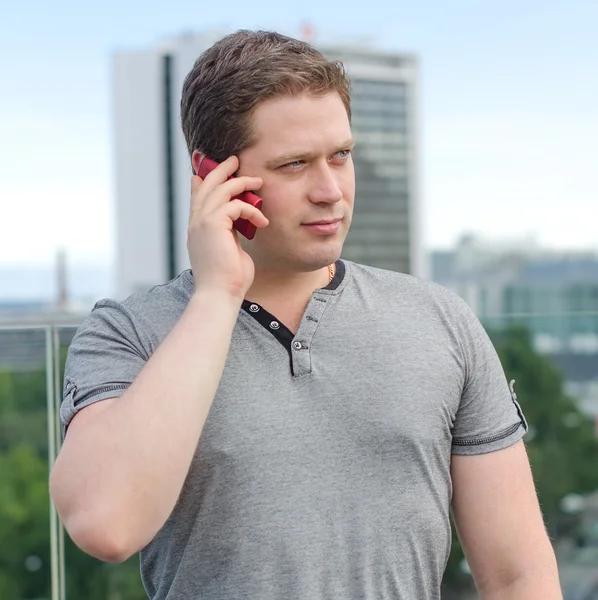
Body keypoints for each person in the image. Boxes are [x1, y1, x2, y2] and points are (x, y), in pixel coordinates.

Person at [50, 30, 562, 600]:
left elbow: (519, 575)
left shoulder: (440, 319)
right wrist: (218, 295)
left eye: (340, 156)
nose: (330, 191)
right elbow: (106, 524)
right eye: (295, 164)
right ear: (214, 175)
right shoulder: (127, 333)